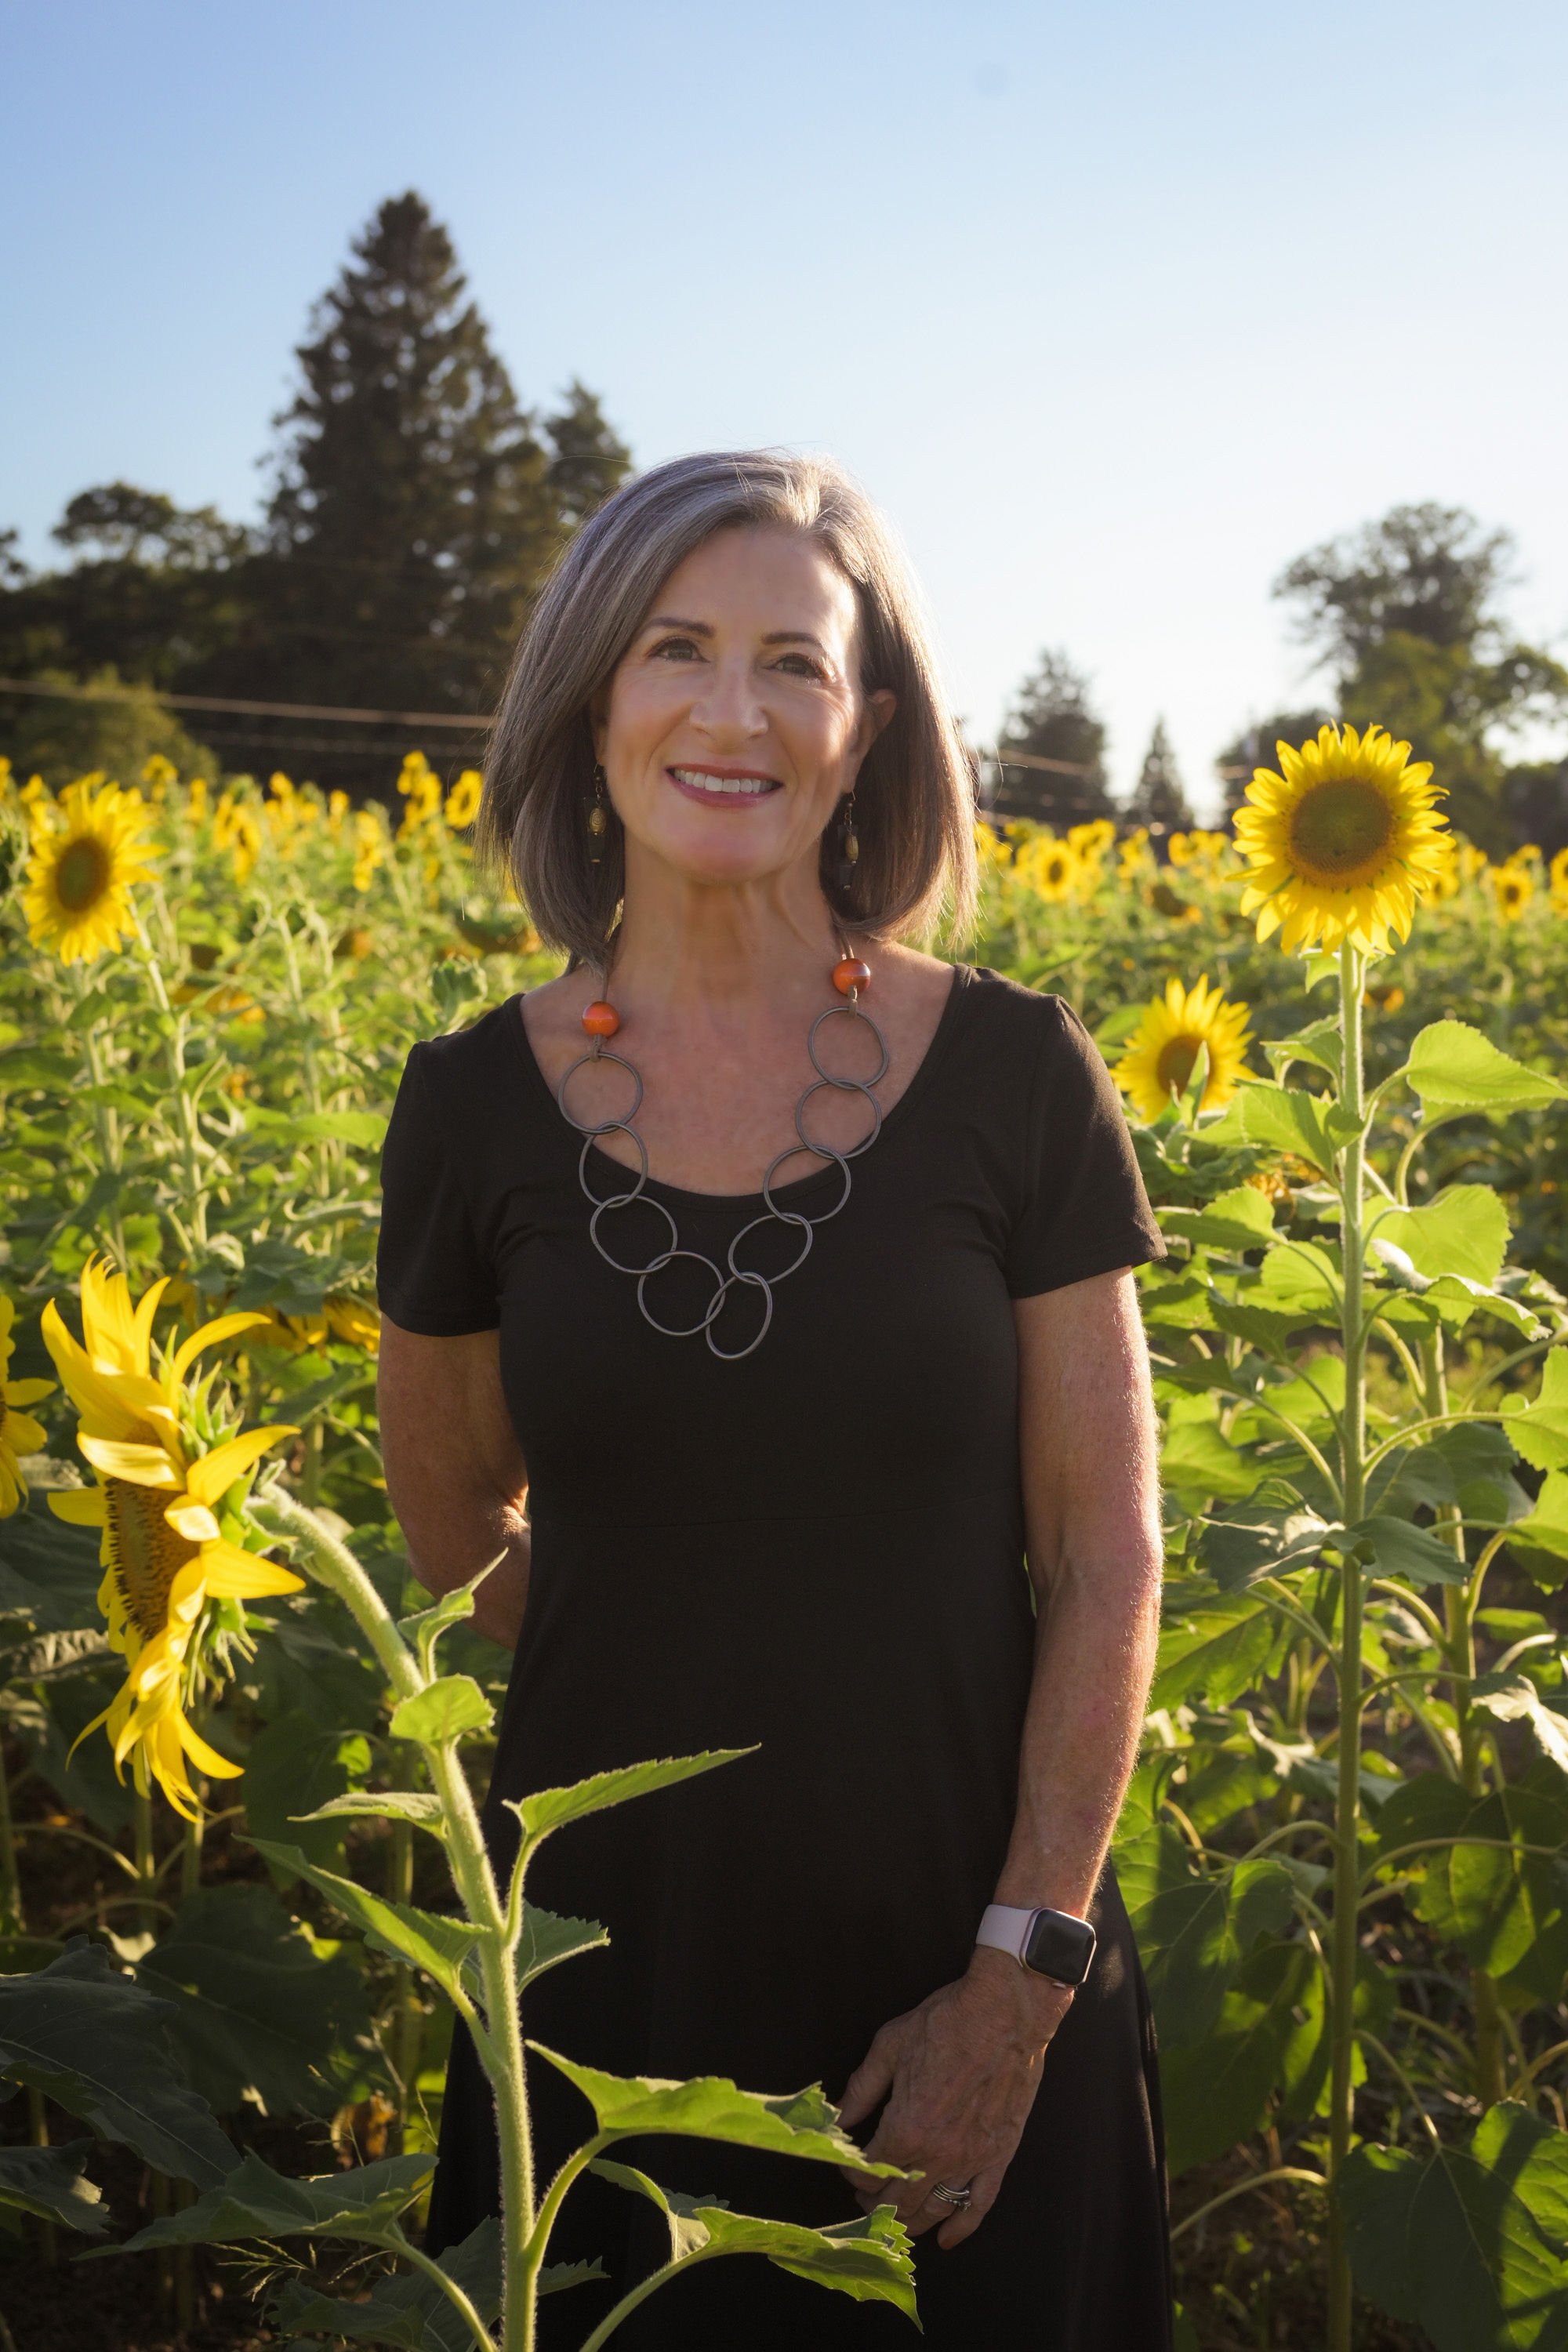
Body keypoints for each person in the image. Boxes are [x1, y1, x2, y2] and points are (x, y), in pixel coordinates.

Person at [376, 450, 1172, 2348]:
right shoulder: (467, 1105)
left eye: (792, 664)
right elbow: (450, 1516)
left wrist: (1020, 1981)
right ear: (590, 707)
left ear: (864, 726)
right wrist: (677, 1670)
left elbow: (1107, 1552)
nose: (732, 713)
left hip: (964, 1972)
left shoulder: (1014, 1074)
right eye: (675, 649)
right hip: (605, 1998)